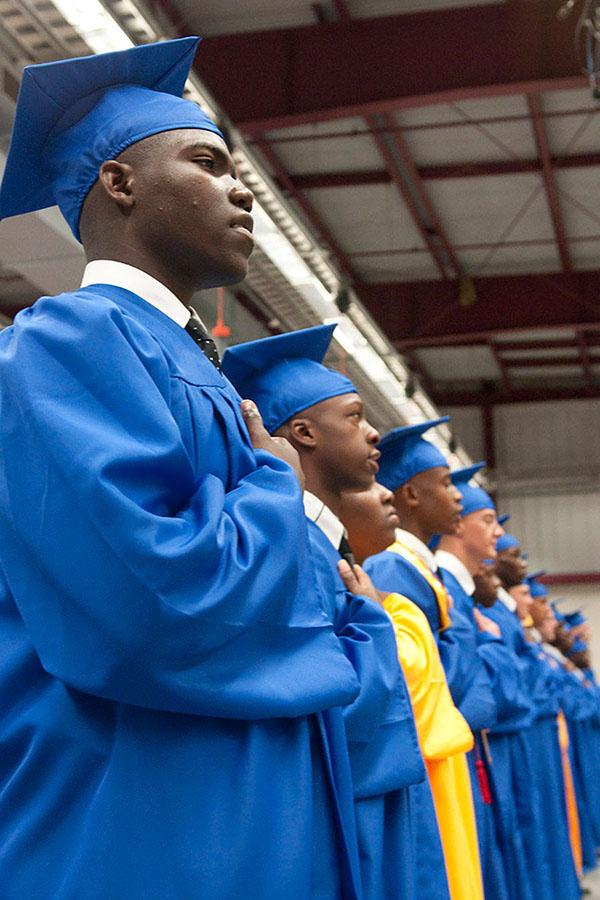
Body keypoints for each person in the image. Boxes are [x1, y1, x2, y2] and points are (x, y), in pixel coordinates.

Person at [0, 38, 364, 898]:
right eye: (209, 163)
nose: (245, 190)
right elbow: (157, 595)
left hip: (254, 806)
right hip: (146, 819)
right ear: (119, 183)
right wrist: (278, 488)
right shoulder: (69, 344)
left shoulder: (198, 372)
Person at [222, 324, 426, 899]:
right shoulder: (294, 551)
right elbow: (326, 699)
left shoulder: (323, 549)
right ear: (303, 432)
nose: (374, 431)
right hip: (330, 808)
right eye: (356, 416)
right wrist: (374, 620)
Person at [362, 420, 483, 900]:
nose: (458, 496)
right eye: (447, 482)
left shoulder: (417, 569)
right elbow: (440, 680)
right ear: (410, 493)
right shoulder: (393, 567)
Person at [434, 464, 510, 900]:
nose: (497, 532)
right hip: (455, 750)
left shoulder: (461, 596)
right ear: (459, 523)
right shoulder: (435, 585)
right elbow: (458, 685)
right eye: (488, 520)